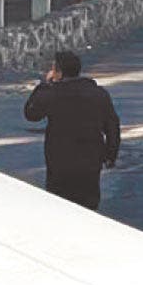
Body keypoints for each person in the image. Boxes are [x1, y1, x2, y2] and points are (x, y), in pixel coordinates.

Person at [22, 50, 121, 211]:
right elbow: (112, 126)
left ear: (58, 72)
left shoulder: (52, 93)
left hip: (60, 159)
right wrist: (111, 155)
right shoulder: (98, 93)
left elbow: (31, 114)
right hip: (91, 158)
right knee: (88, 203)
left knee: (61, 205)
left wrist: (44, 85)